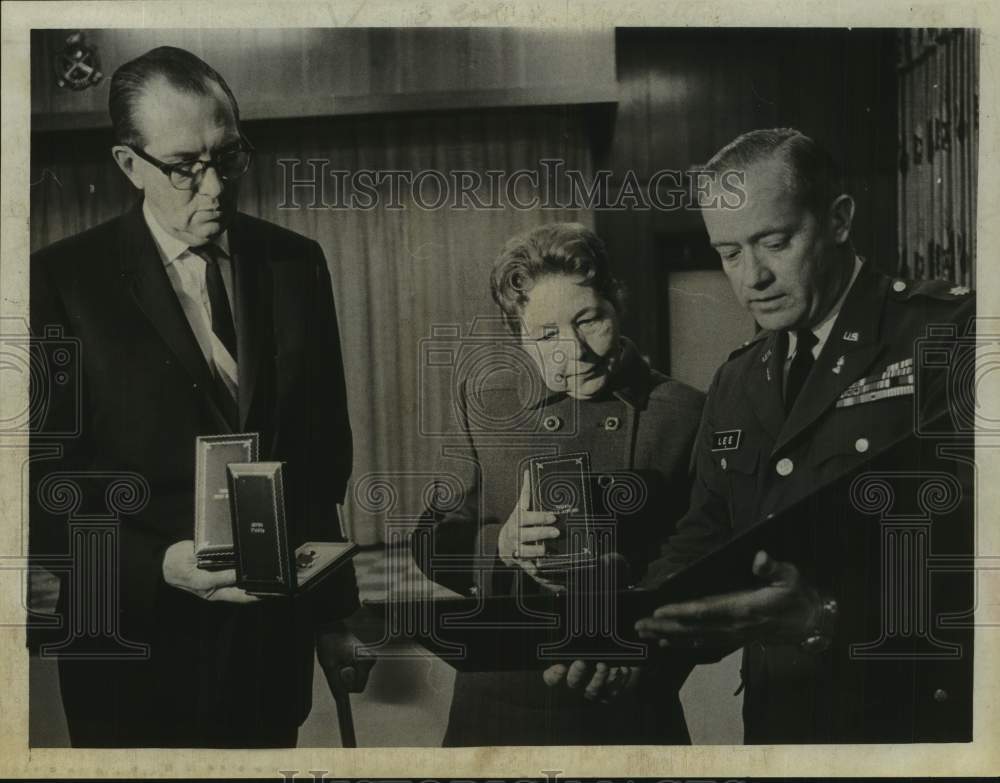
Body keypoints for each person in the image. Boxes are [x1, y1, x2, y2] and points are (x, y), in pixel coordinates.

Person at [29, 46, 371, 747]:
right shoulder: (59, 282)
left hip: (263, 656)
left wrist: (334, 618)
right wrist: (161, 563)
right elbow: (37, 489)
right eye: (185, 166)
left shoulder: (294, 263)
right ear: (130, 165)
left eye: (229, 156)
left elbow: (321, 457)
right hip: (130, 653)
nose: (213, 185)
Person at [634, 128, 975, 743]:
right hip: (781, 723)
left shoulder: (947, 337)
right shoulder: (738, 380)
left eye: (774, 241)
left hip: (907, 721)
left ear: (839, 220)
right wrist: (628, 632)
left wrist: (825, 615)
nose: (752, 277)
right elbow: (707, 533)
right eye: (729, 253)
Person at [412, 222, 705, 745]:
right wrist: (498, 545)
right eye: (547, 335)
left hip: (629, 698)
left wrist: (643, 654)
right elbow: (432, 538)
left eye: (589, 320)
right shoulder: (486, 402)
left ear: (617, 303)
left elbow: (701, 560)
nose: (575, 350)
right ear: (518, 337)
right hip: (503, 700)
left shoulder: (683, 411)